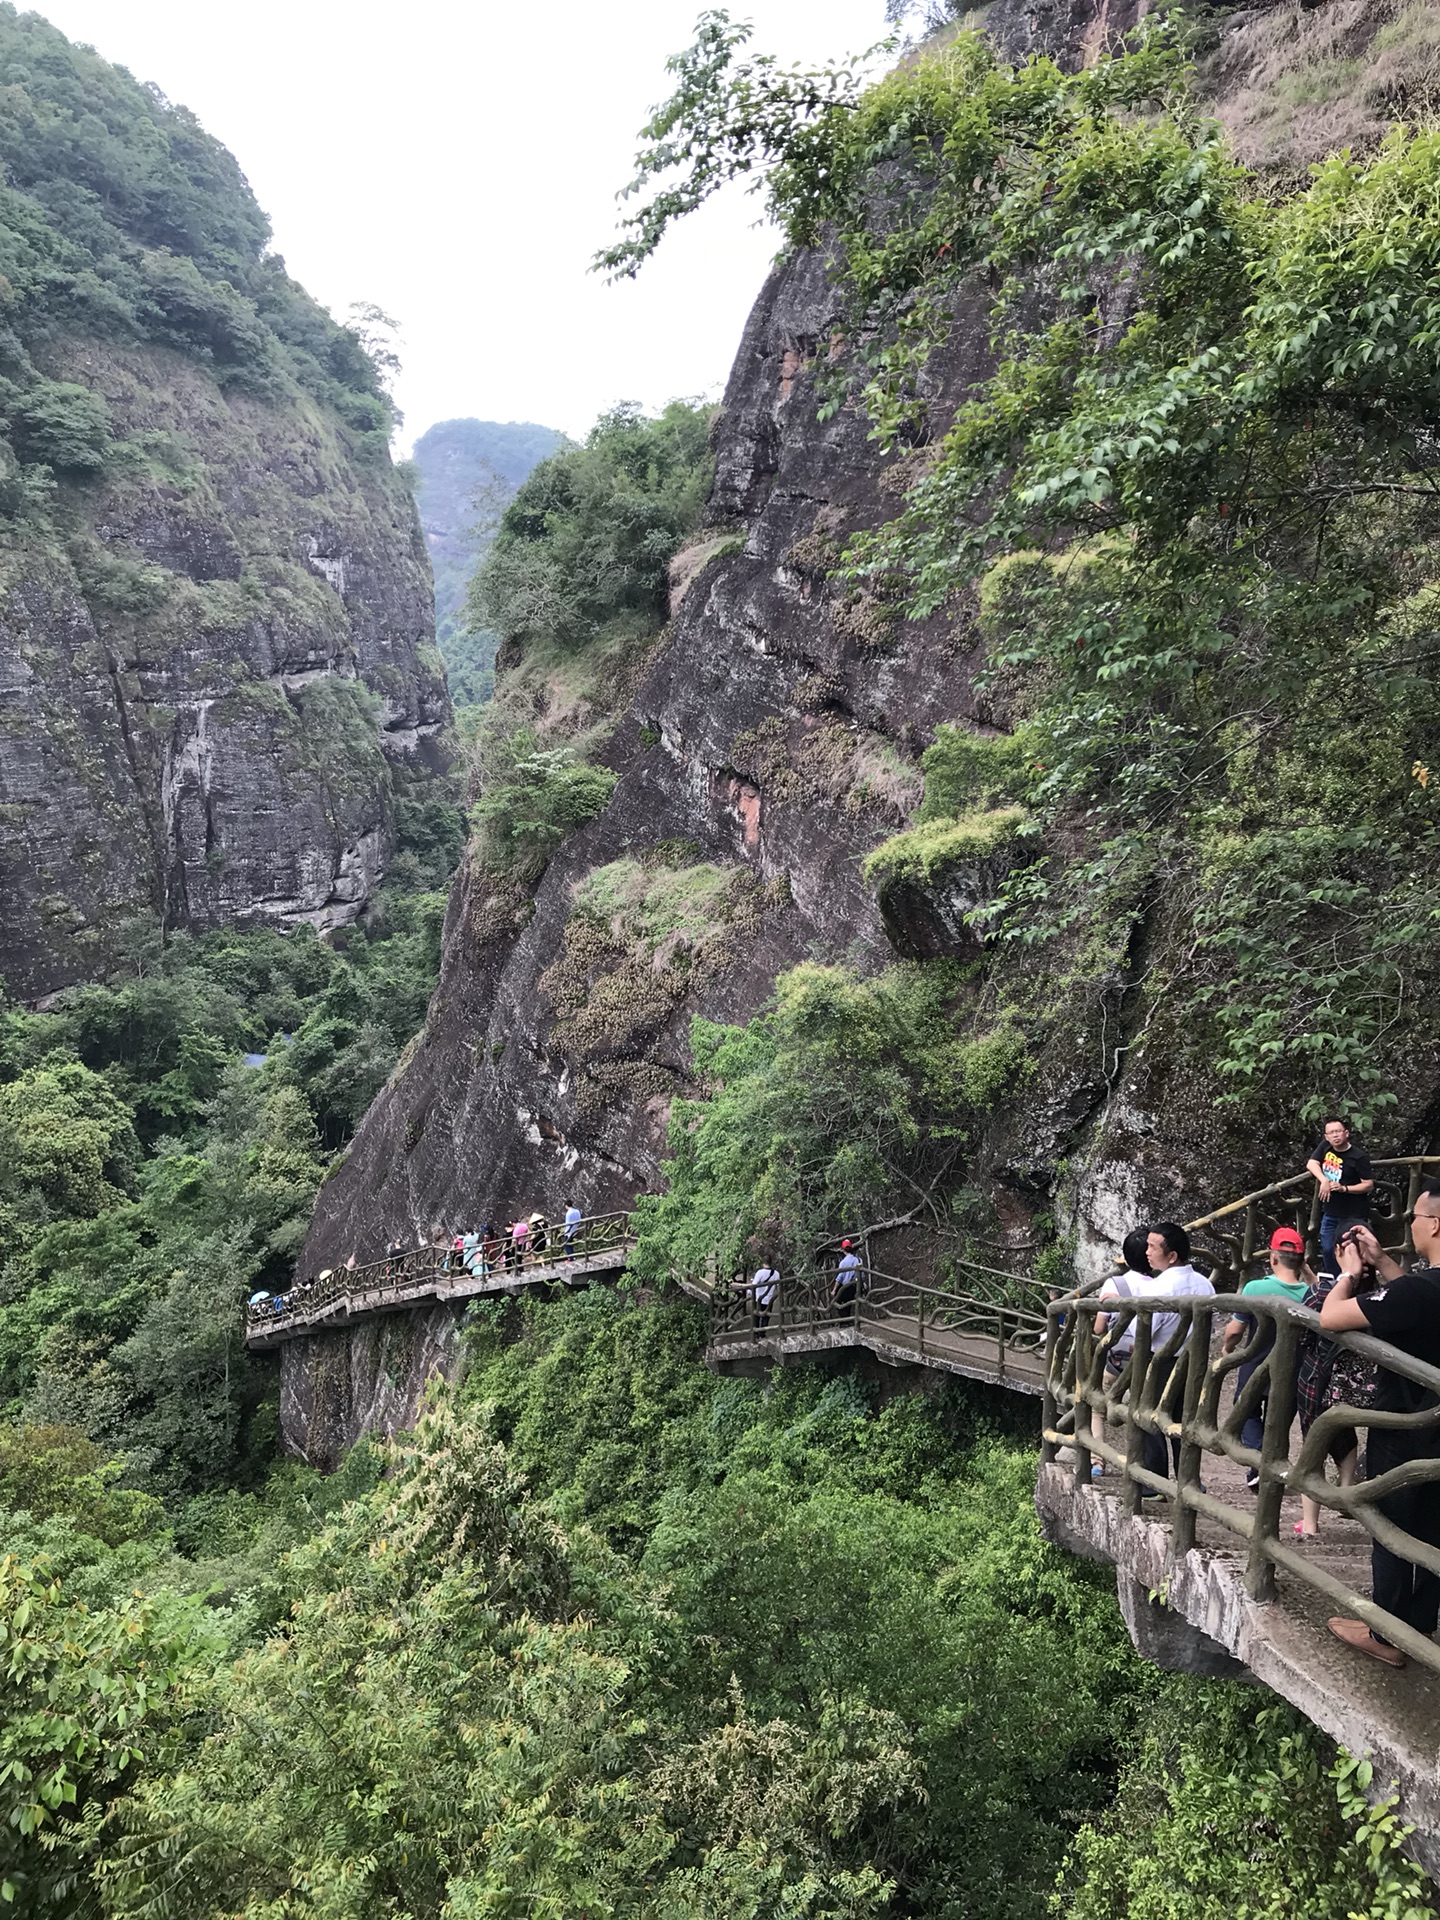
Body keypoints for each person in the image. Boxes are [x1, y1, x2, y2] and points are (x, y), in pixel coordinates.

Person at [1321, 1184, 1440, 1666]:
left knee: (1388, 1521)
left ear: (1434, 1224)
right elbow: (1415, 1300)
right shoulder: (1418, 1288)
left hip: (1404, 1424)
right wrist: (1385, 1264)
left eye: (1414, 1216)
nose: (1409, 1224)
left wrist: (1349, 1274)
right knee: (1435, 1527)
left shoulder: (1416, 1291)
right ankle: (1420, 1623)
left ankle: (1385, 1635)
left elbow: (1331, 1317)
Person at [1292, 1233, 1378, 1538]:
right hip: (1352, 1385)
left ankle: (1311, 1524)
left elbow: (1302, 1335)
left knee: (1312, 1446)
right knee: (1347, 1438)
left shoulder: (1319, 1294)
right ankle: (1345, 1496)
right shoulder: (1375, 1292)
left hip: (1317, 1379)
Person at [1221, 1240, 1311, 1483]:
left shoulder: (1254, 1288)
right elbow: (1323, 1293)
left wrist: (1228, 1348)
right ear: (1302, 1261)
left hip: (1256, 1362)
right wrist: (1307, 1271)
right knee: (1279, 1419)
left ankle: (1261, 1462)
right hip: (1294, 1367)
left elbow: (1235, 1330)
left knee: (1245, 1408)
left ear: (1273, 1258)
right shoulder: (1309, 1293)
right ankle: (1268, 1469)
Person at [1306, 1116, 1375, 1264]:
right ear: (1326, 1137)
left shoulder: (1358, 1157)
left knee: (1352, 1250)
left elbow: (1368, 1185)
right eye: (1331, 1133)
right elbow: (1311, 1164)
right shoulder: (1326, 1146)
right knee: (1328, 1249)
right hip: (1330, 1210)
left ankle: (1354, 1282)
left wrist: (1344, 1188)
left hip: (1353, 1213)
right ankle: (1334, 1281)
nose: (1335, 1135)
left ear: (1346, 1133)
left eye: (1338, 1131)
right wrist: (1324, 1180)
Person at [748, 1261, 778, 1332]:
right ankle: (762, 1334)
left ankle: (756, 1333)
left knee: (756, 1316)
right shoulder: (776, 1274)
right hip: (769, 1300)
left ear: (763, 1263)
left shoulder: (760, 1273)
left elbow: (754, 1285)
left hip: (758, 1299)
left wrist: (749, 1292)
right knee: (766, 1317)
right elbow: (778, 1285)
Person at [832, 1239, 863, 1308]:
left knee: (839, 1304)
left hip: (845, 1287)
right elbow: (862, 1275)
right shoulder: (859, 1260)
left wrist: (834, 1290)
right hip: (856, 1286)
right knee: (851, 1305)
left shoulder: (843, 1262)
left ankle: (847, 1318)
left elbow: (840, 1277)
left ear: (843, 1250)